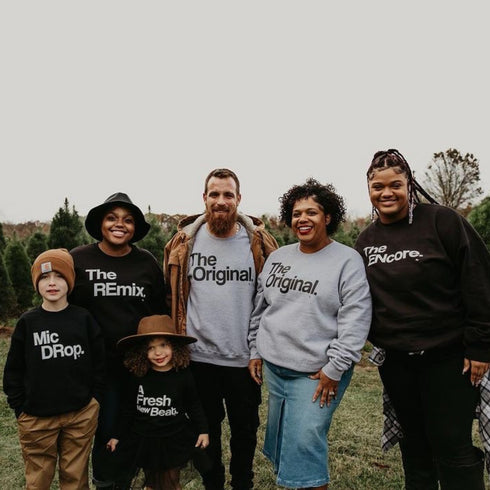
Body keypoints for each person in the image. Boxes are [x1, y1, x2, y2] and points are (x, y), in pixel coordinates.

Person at [355, 149, 490, 489]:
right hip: (398, 362)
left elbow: (478, 281)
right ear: (369, 189)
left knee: (451, 442)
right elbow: (357, 299)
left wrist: (480, 346)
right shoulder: (366, 241)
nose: (386, 193)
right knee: (414, 445)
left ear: (409, 185)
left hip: (449, 359)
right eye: (377, 187)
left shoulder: (442, 222)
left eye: (395, 185)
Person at [248, 178, 372, 490]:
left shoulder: (346, 260)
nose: (303, 219)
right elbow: (260, 308)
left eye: (312, 212)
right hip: (276, 369)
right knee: (284, 440)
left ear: (327, 217)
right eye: (296, 213)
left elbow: (356, 318)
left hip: (317, 375)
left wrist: (335, 368)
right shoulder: (279, 257)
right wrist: (255, 350)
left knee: (305, 443)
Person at [164, 168, 278, 490]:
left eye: (228, 195)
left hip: (244, 360)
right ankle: (212, 483)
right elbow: (172, 295)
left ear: (239, 200)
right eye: (214, 194)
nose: (221, 201)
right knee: (205, 431)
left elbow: (272, 298)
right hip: (199, 359)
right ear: (204, 199)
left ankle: (243, 483)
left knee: (245, 430)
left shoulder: (258, 242)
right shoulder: (184, 242)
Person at [70, 192, 168, 489]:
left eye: (127, 220)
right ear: (101, 223)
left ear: (135, 228)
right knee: (107, 427)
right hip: (98, 366)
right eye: (112, 218)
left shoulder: (146, 262)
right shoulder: (78, 259)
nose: (119, 224)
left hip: (139, 365)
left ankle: (134, 477)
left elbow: (158, 312)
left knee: (140, 425)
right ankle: (106, 480)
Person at [3, 248, 105, 490]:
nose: (52, 283)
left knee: (75, 478)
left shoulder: (83, 319)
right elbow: (14, 370)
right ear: (36, 283)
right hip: (37, 418)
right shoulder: (28, 322)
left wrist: (94, 400)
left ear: (69, 282)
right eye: (44, 278)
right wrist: (21, 406)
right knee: (38, 480)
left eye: (59, 277)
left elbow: (99, 364)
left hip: (79, 414)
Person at [106, 314, 209, 490]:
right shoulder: (138, 376)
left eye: (163, 345)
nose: (158, 353)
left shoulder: (183, 375)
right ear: (141, 352)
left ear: (174, 347)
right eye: (151, 348)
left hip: (174, 438)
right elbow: (128, 409)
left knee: (171, 481)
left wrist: (203, 430)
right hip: (144, 439)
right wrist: (117, 435)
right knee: (151, 482)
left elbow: (194, 404)